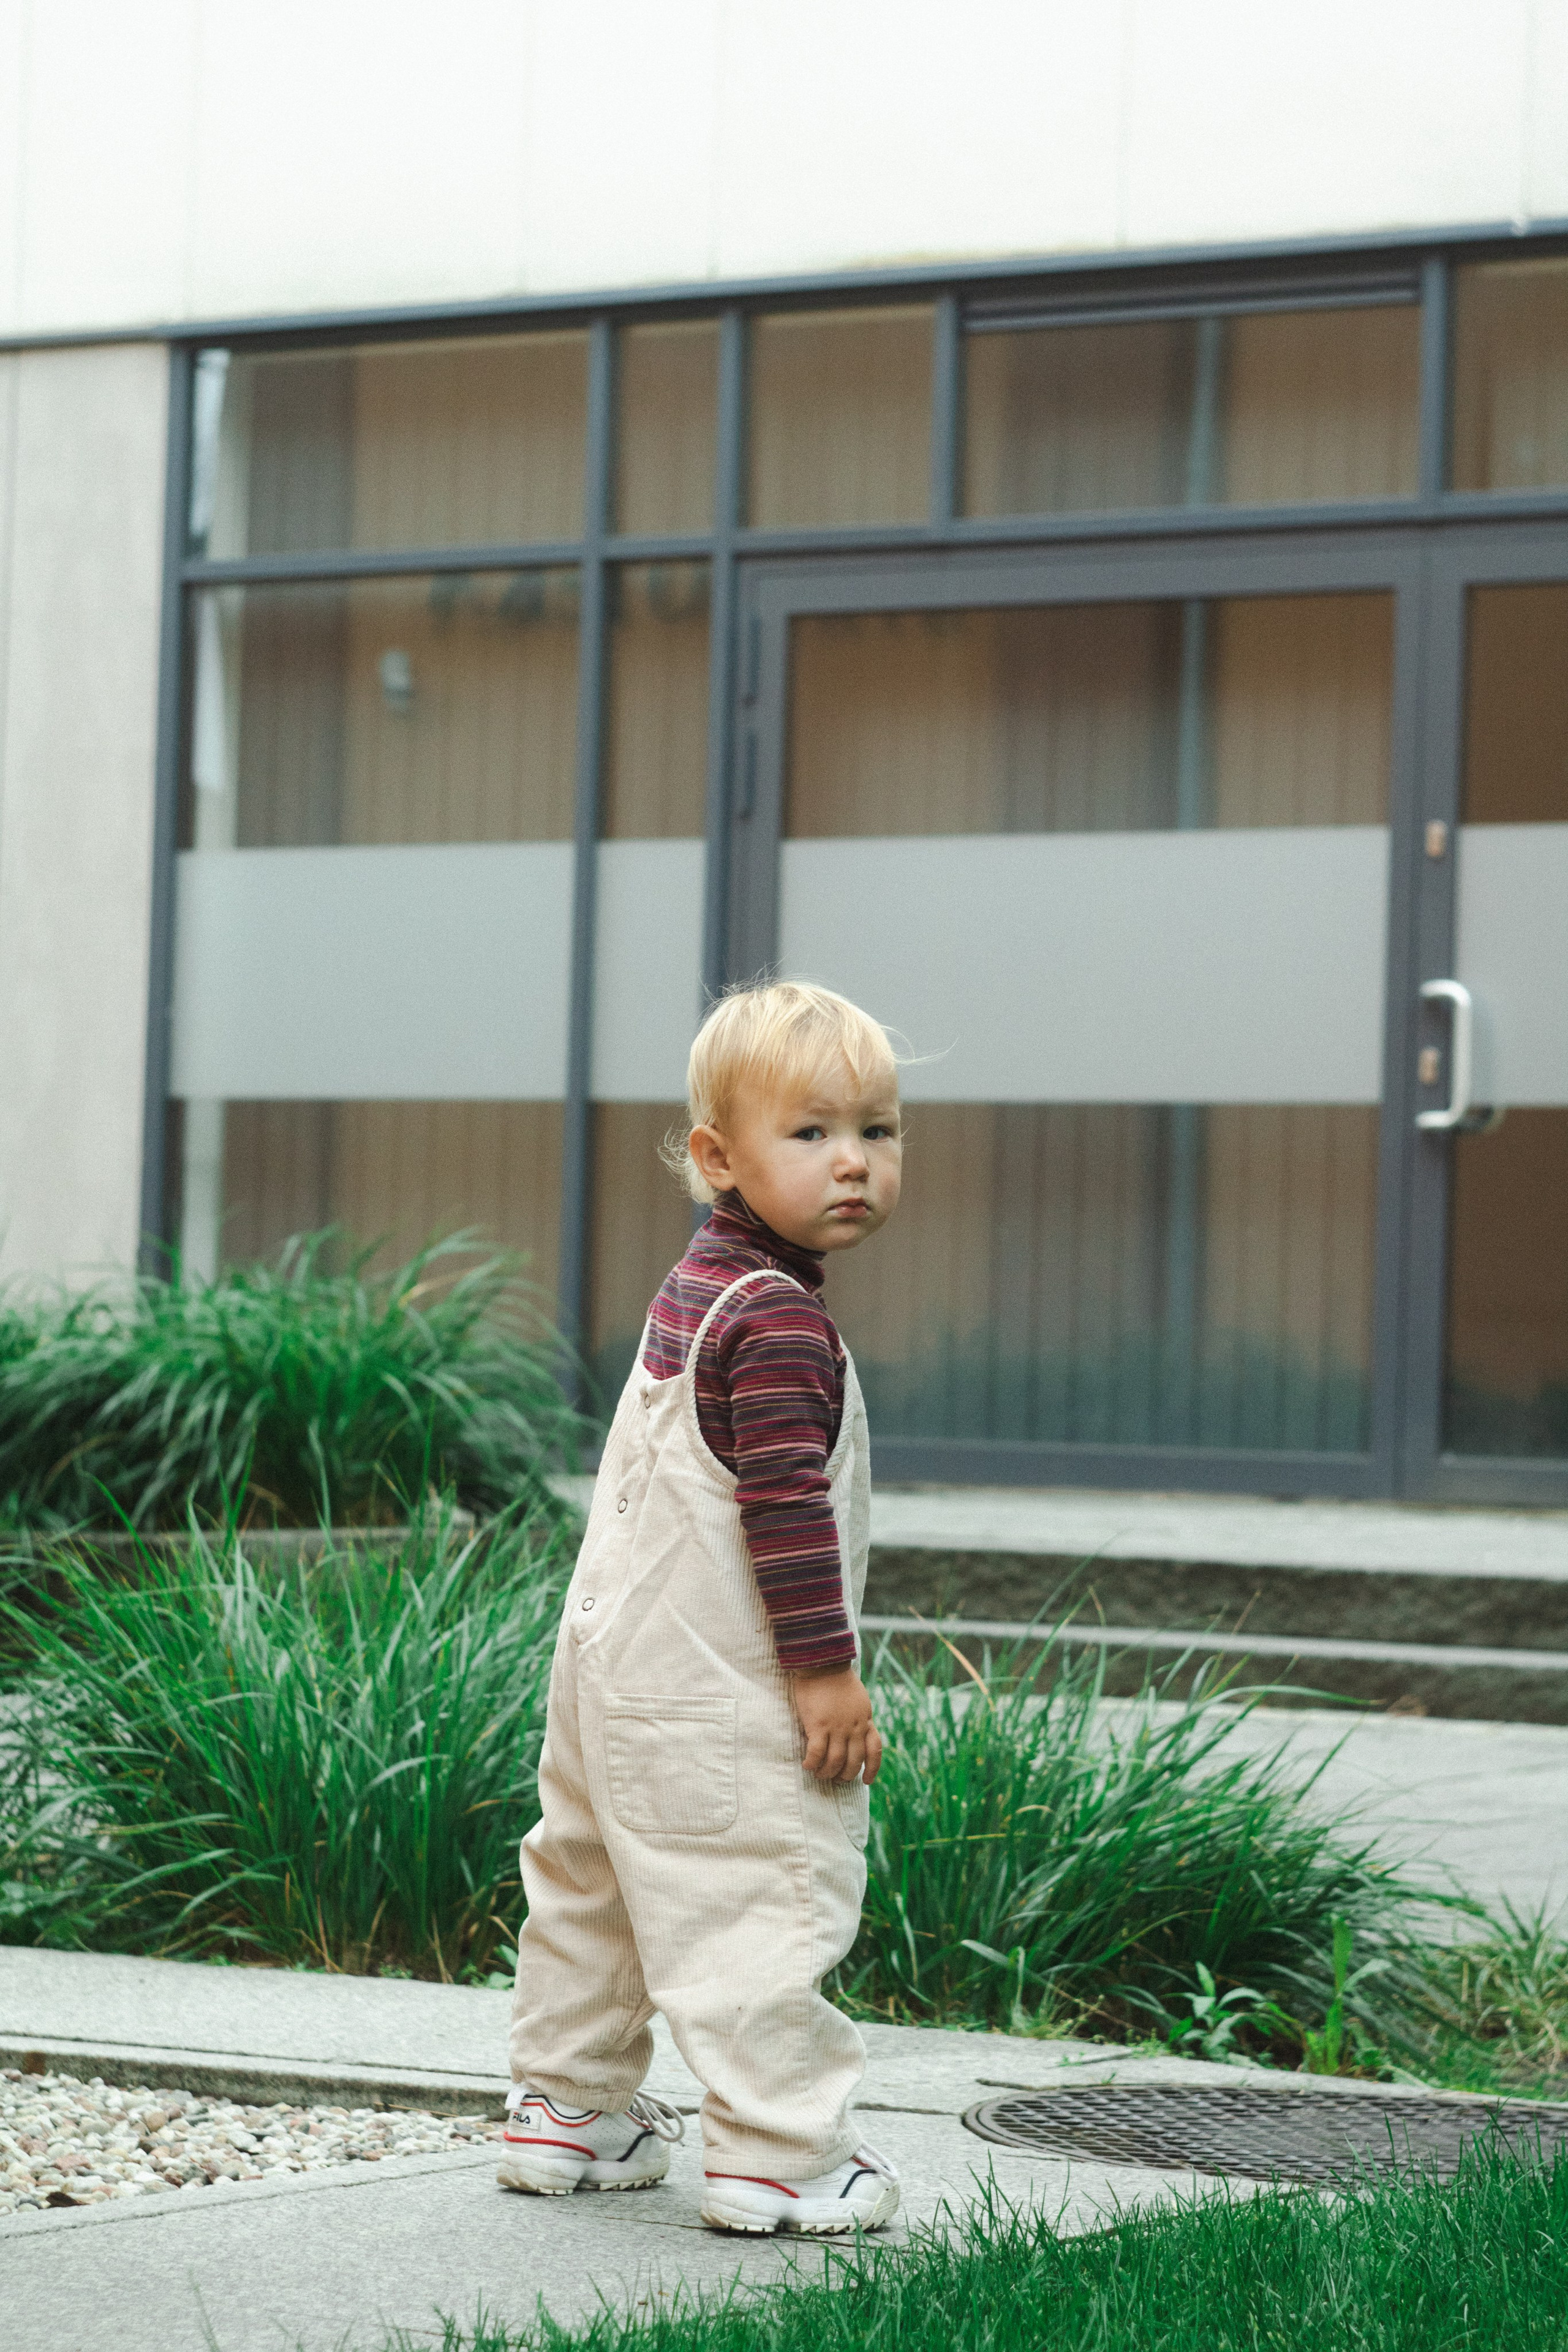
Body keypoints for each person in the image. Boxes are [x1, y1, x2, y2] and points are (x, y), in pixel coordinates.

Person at [500, 980, 903, 2236]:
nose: (851, 1162)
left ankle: (569, 2114)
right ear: (717, 1157)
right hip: (719, 1686)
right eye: (811, 1133)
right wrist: (824, 1675)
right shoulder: (777, 1319)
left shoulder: (705, 1282)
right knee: (756, 1901)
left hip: (609, 1671)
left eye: (877, 1132)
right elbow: (779, 1508)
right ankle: (779, 2155)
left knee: (591, 1886)